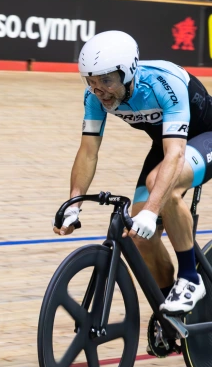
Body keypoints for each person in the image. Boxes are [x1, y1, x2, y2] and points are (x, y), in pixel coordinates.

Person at [55, 30, 212, 314]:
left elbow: (175, 155)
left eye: (105, 80)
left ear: (128, 73)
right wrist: (74, 203)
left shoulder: (163, 82)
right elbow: (88, 151)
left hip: (204, 137)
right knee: (139, 236)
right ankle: (171, 314)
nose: (98, 89)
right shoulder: (95, 97)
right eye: (90, 81)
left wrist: (152, 211)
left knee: (160, 186)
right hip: (168, 141)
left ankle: (190, 279)